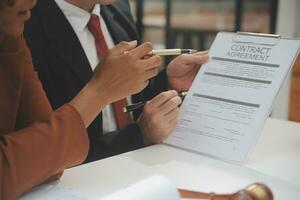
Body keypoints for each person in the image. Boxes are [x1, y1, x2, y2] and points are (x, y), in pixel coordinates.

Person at [0, 0, 163, 198]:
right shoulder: (30, 23)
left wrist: (169, 82)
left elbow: (49, 160)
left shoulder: (13, 30)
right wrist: (99, 92)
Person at [24, 0, 209, 162]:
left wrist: (168, 83)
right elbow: (47, 152)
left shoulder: (117, 8)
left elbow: (131, 101)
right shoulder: (24, 26)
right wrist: (139, 135)